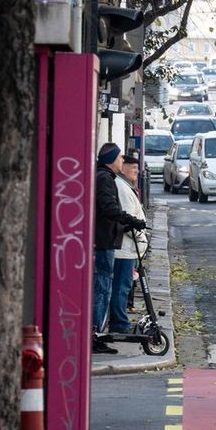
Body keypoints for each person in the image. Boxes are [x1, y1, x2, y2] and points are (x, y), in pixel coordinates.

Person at [93, 143, 146, 355]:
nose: (122, 162)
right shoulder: (106, 179)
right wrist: (130, 221)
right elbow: (110, 209)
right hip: (106, 242)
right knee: (103, 288)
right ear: (112, 160)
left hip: (108, 241)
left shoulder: (106, 178)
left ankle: (97, 331)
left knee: (105, 287)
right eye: (120, 159)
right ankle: (95, 334)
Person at [109, 155, 149, 332]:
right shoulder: (121, 187)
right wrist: (139, 235)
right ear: (123, 167)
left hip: (128, 249)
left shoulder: (124, 186)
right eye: (133, 168)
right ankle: (119, 322)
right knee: (121, 287)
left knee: (123, 286)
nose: (137, 172)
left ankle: (120, 319)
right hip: (124, 249)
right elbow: (126, 219)